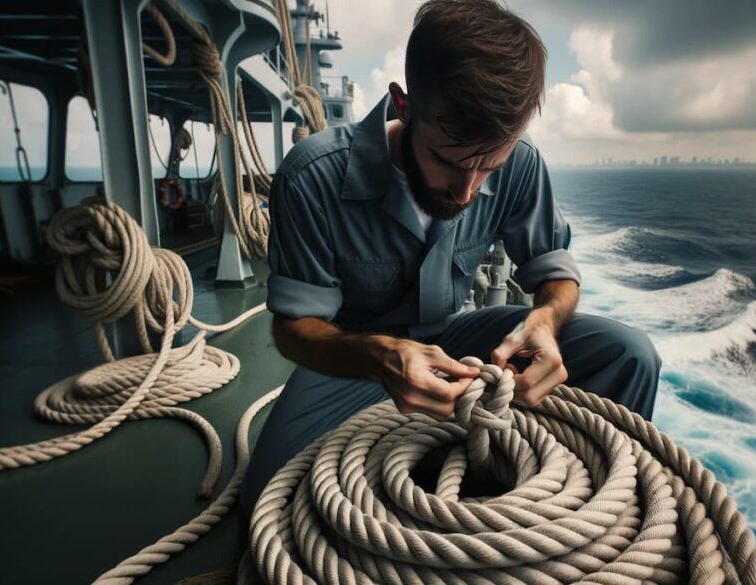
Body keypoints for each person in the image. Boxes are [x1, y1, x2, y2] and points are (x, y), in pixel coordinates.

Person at [240, 0, 661, 523]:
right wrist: (381, 356)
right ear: (402, 105)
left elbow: (555, 274)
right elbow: (293, 330)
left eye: (491, 166)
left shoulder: (522, 163)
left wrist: (545, 322)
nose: (468, 190)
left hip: (455, 343)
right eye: (448, 161)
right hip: (350, 363)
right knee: (267, 508)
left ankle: (601, 522)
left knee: (630, 354)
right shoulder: (313, 174)